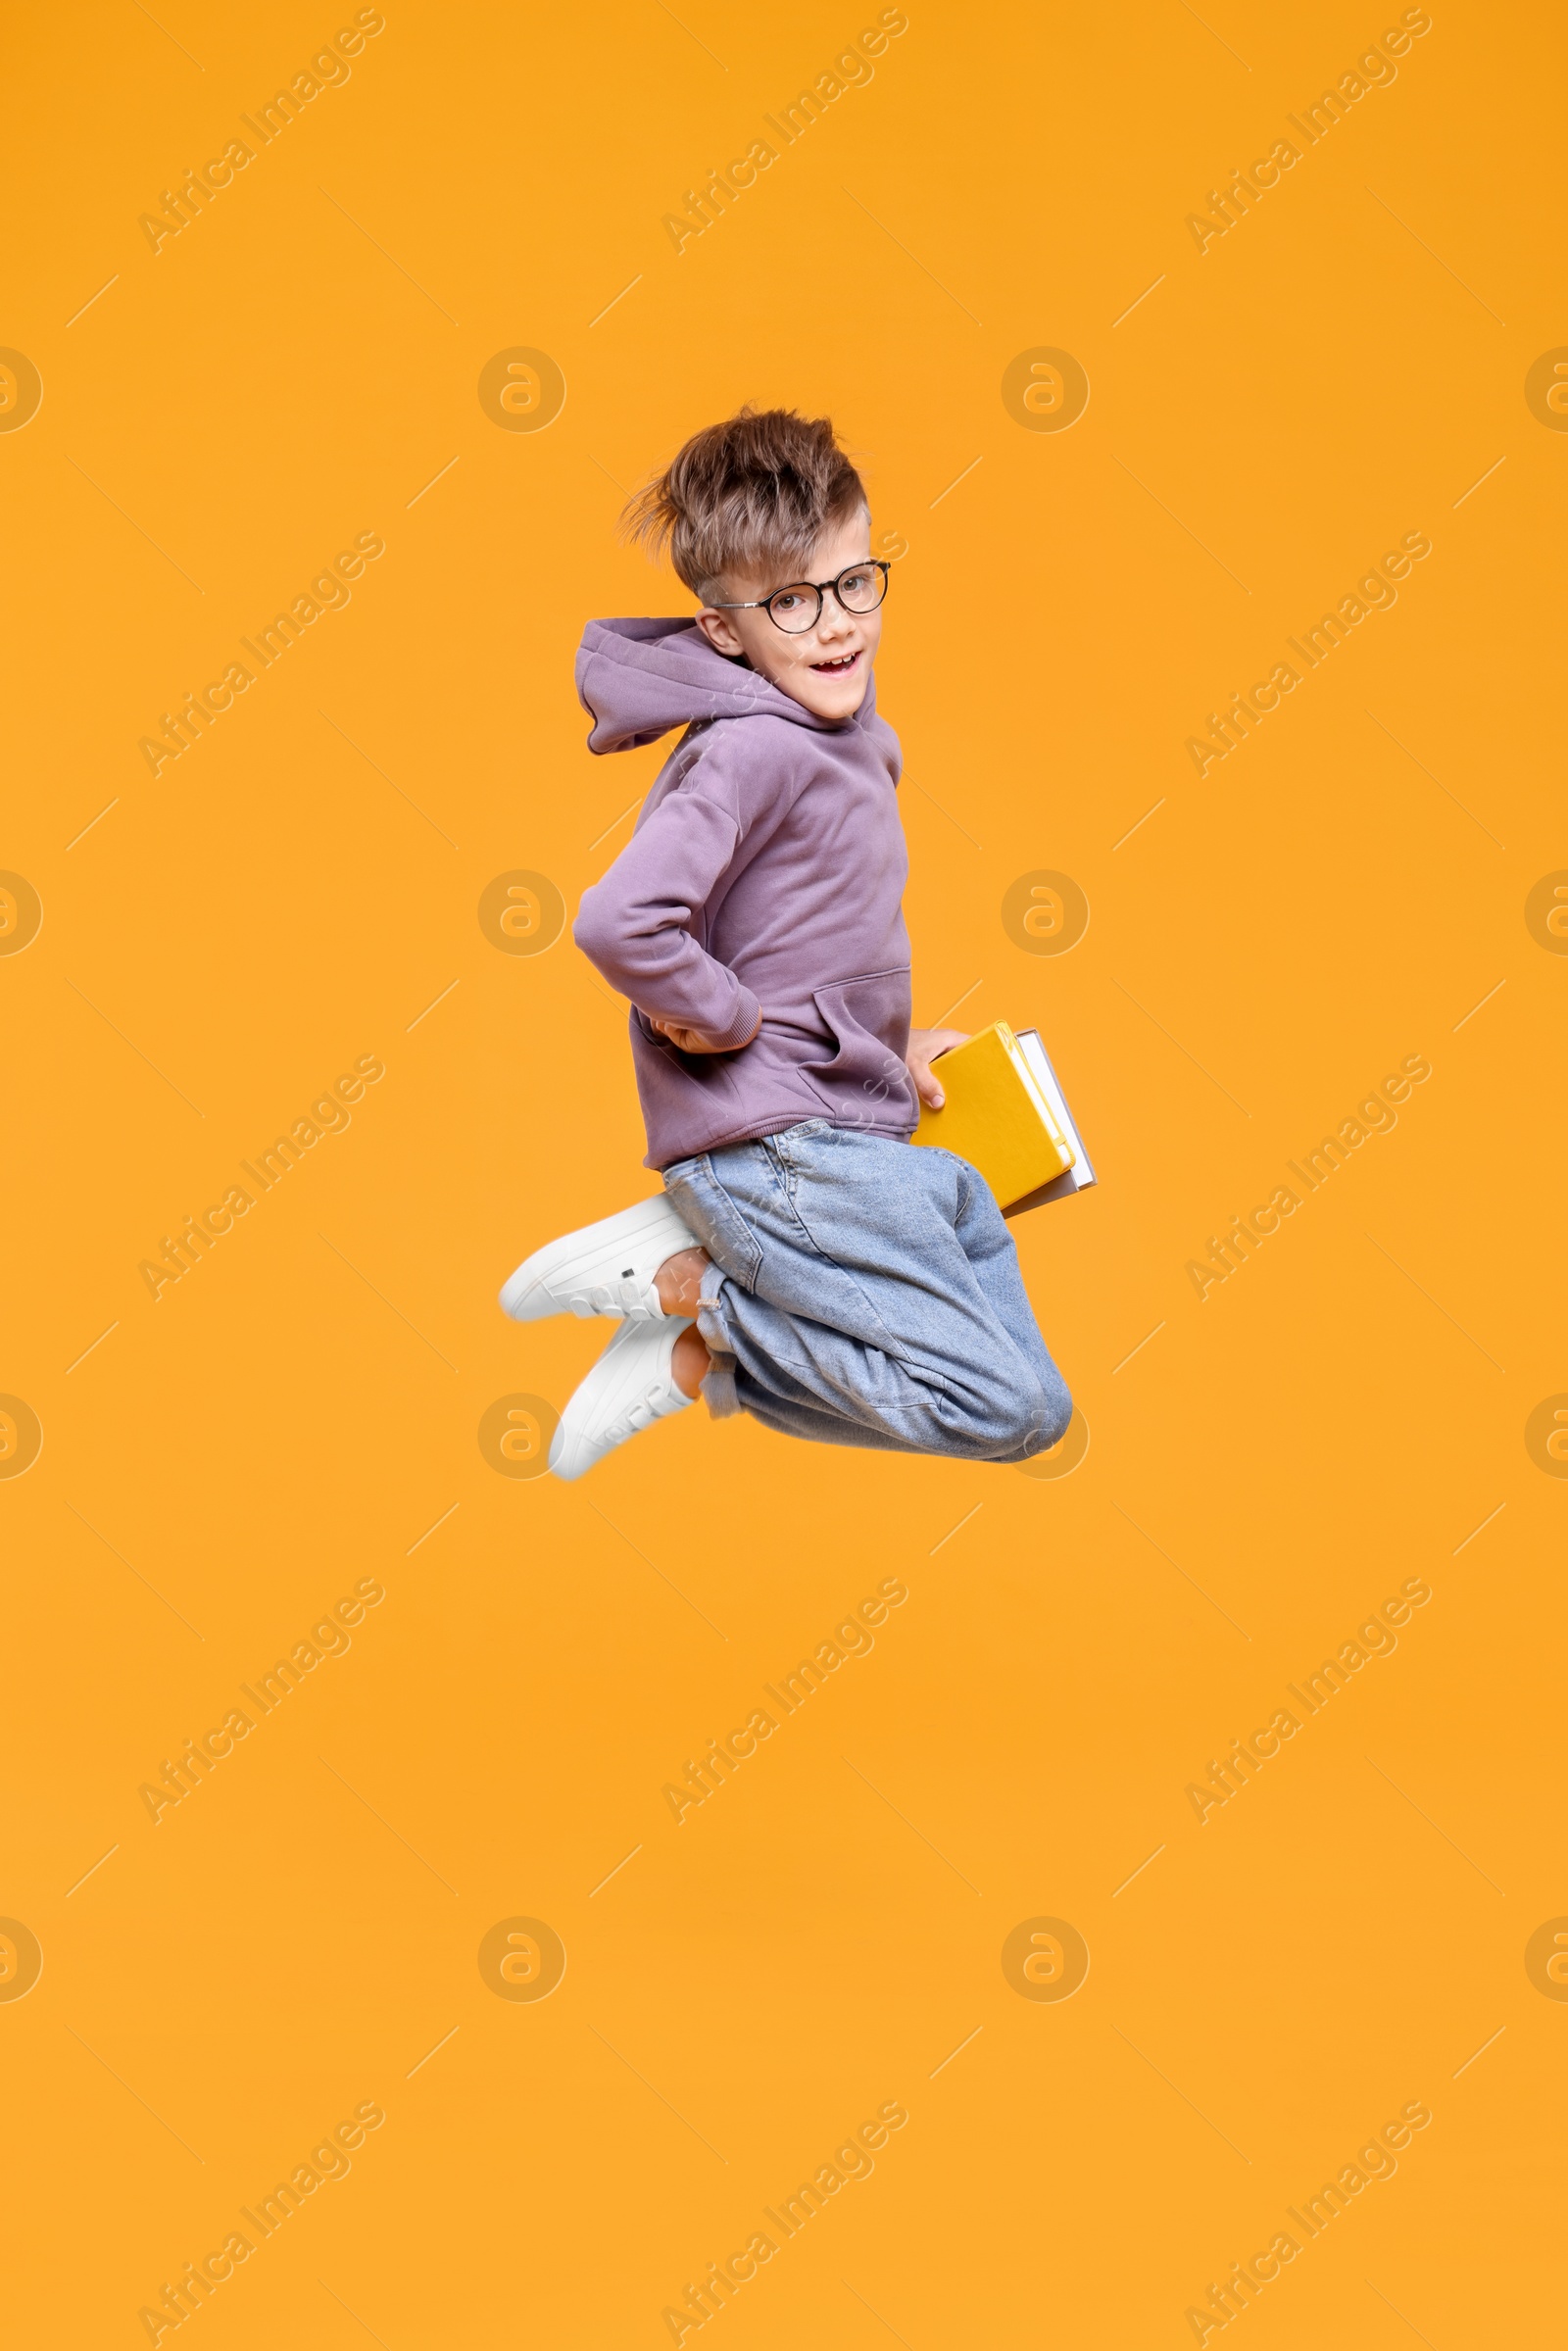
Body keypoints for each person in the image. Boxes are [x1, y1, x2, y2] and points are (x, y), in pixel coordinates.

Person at [501, 406, 1072, 1481]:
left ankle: (704, 1349)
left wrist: (888, 1041)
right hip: (785, 1149)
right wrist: (722, 1019)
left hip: (859, 1129)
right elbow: (619, 919)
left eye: (855, 582)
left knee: (1031, 1410)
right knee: (987, 1399)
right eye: (791, 602)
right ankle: (699, 1293)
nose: (835, 625)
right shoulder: (751, 748)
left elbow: (802, 934)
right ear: (725, 629)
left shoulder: (855, 738)